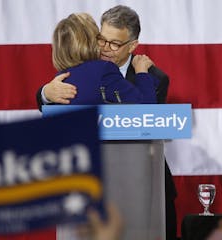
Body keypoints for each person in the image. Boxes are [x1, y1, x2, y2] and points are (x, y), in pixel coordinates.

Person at [36, 5, 177, 240]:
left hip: (141, 182)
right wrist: (45, 93)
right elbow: (49, 108)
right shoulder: (75, 70)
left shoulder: (155, 78)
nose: (105, 48)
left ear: (132, 45)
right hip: (91, 183)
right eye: (102, 39)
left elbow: (148, 120)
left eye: (115, 43)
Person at [50, 13, 158, 105]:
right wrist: (141, 72)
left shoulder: (58, 80)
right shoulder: (103, 69)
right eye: (100, 38)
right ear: (91, 40)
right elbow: (146, 110)